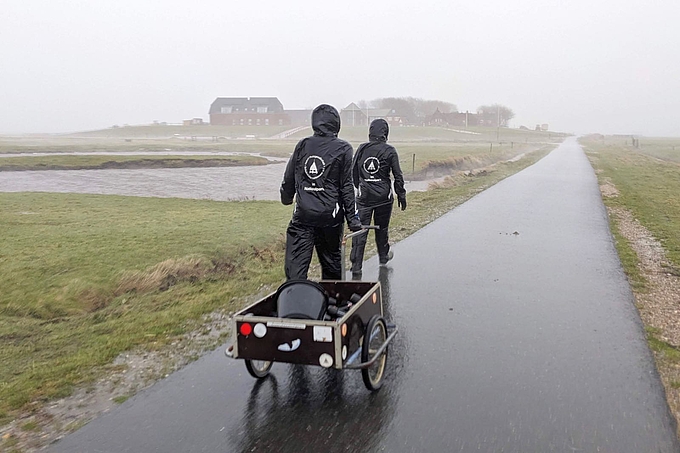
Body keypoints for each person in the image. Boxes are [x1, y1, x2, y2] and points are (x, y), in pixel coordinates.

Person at [280, 104, 362, 280]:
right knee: (331, 264)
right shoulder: (344, 148)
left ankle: (295, 299)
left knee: (296, 266)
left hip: (303, 215)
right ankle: (333, 301)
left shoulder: (303, 145)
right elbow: (346, 186)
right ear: (336, 124)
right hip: (330, 217)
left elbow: (289, 177)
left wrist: (286, 198)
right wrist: (353, 219)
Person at [350, 118, 406, 277]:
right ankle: (383, 255)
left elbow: (353, 171)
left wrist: (360, 187)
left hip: (364, 197)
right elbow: (398, 175)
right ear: (385, 133)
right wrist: (401, 194)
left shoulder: (361, 148)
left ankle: (356, 265)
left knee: (360, 231)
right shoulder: (390, 150)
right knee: (382, 228)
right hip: (384, 197)